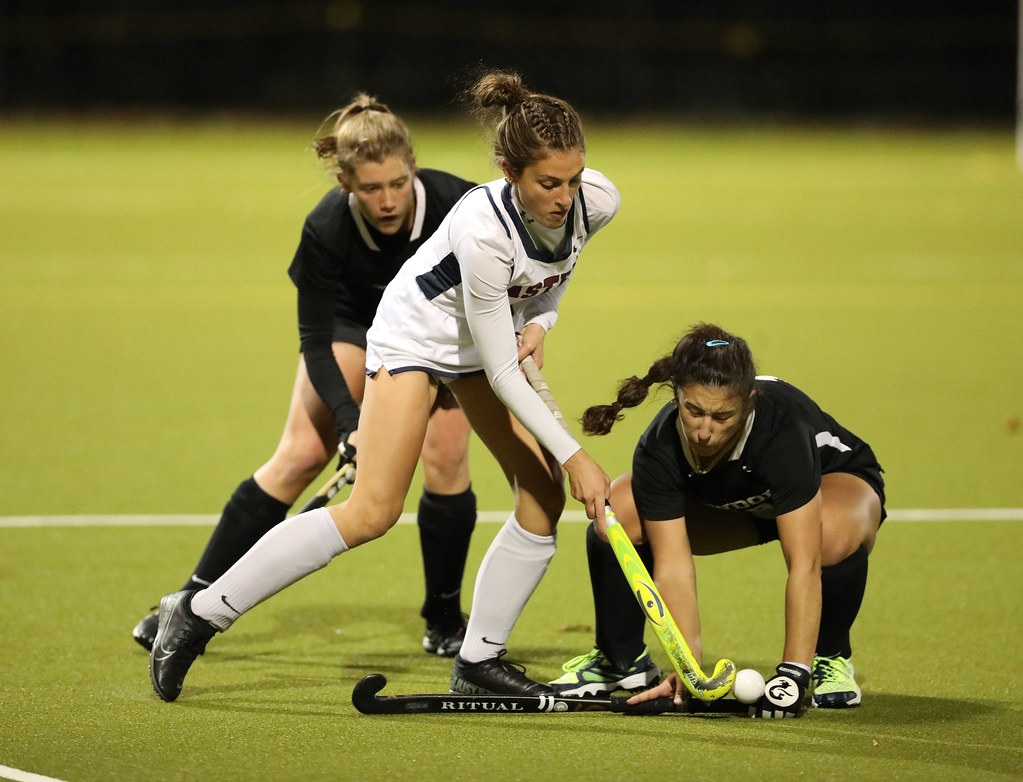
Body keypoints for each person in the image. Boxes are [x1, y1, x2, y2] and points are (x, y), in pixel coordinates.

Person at [148, 70, 619, 703]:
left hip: (488, 337)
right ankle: (199, 613)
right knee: (373, 511)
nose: (564, 198)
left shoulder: (598, 200)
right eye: (547, 183)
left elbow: (557, 268)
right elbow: (501, 371)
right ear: (509, 172)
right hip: (416, 335)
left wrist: (543, 320)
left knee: (541, 492)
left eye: (571, 179)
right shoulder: (483, 231)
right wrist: (579, 455)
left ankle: (479, 658)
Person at [133, 94, 479, 660]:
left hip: (440, 333)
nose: (388, 200)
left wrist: (447, 364)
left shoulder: (457, 204)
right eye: (370, 189)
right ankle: (190, 600)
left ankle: (443, 617)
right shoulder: (326, 227)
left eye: (396, 183)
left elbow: (494, 292)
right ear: (346, 182)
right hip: (356, 324)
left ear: (413, 167)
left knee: (446, 455)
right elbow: (317, 341)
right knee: (298, 454)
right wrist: (351, 426)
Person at [548, 323, 885, 718]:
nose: (704, 431)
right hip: (738, 506)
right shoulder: (660, 446)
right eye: (693, 411)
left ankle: (829, 657)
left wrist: (793, 675)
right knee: (619, 511)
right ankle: (621, 661)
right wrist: (687, 667)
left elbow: (804, 564)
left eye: (723, 416)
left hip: (831, 488)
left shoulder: (782, 432)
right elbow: (672, 565)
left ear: (749, 402)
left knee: (830, 534)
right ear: (676, 396)